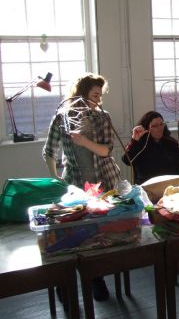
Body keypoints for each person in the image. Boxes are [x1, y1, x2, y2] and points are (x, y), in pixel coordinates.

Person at [43, 72, 121, 302]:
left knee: (98, 234)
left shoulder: (102, 117)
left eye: (100, 95)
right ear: (81, 93)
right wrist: (55, 179)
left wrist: (84, 141)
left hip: (104, 183)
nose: (98, 99)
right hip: (75, 186)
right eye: (94, 94)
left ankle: (96, 278)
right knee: (73, 234)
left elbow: (106, 150)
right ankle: (65, 285)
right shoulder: (61, 117)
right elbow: (49, 151)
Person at [122, 111, 179, 185]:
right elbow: (127, 160)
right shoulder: (140, 144)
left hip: (170, 185)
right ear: (146, 128)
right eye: (155, 126)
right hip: (148, 186)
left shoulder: (170, 142)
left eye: (161, 124)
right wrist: (135, 140)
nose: (159, 128)